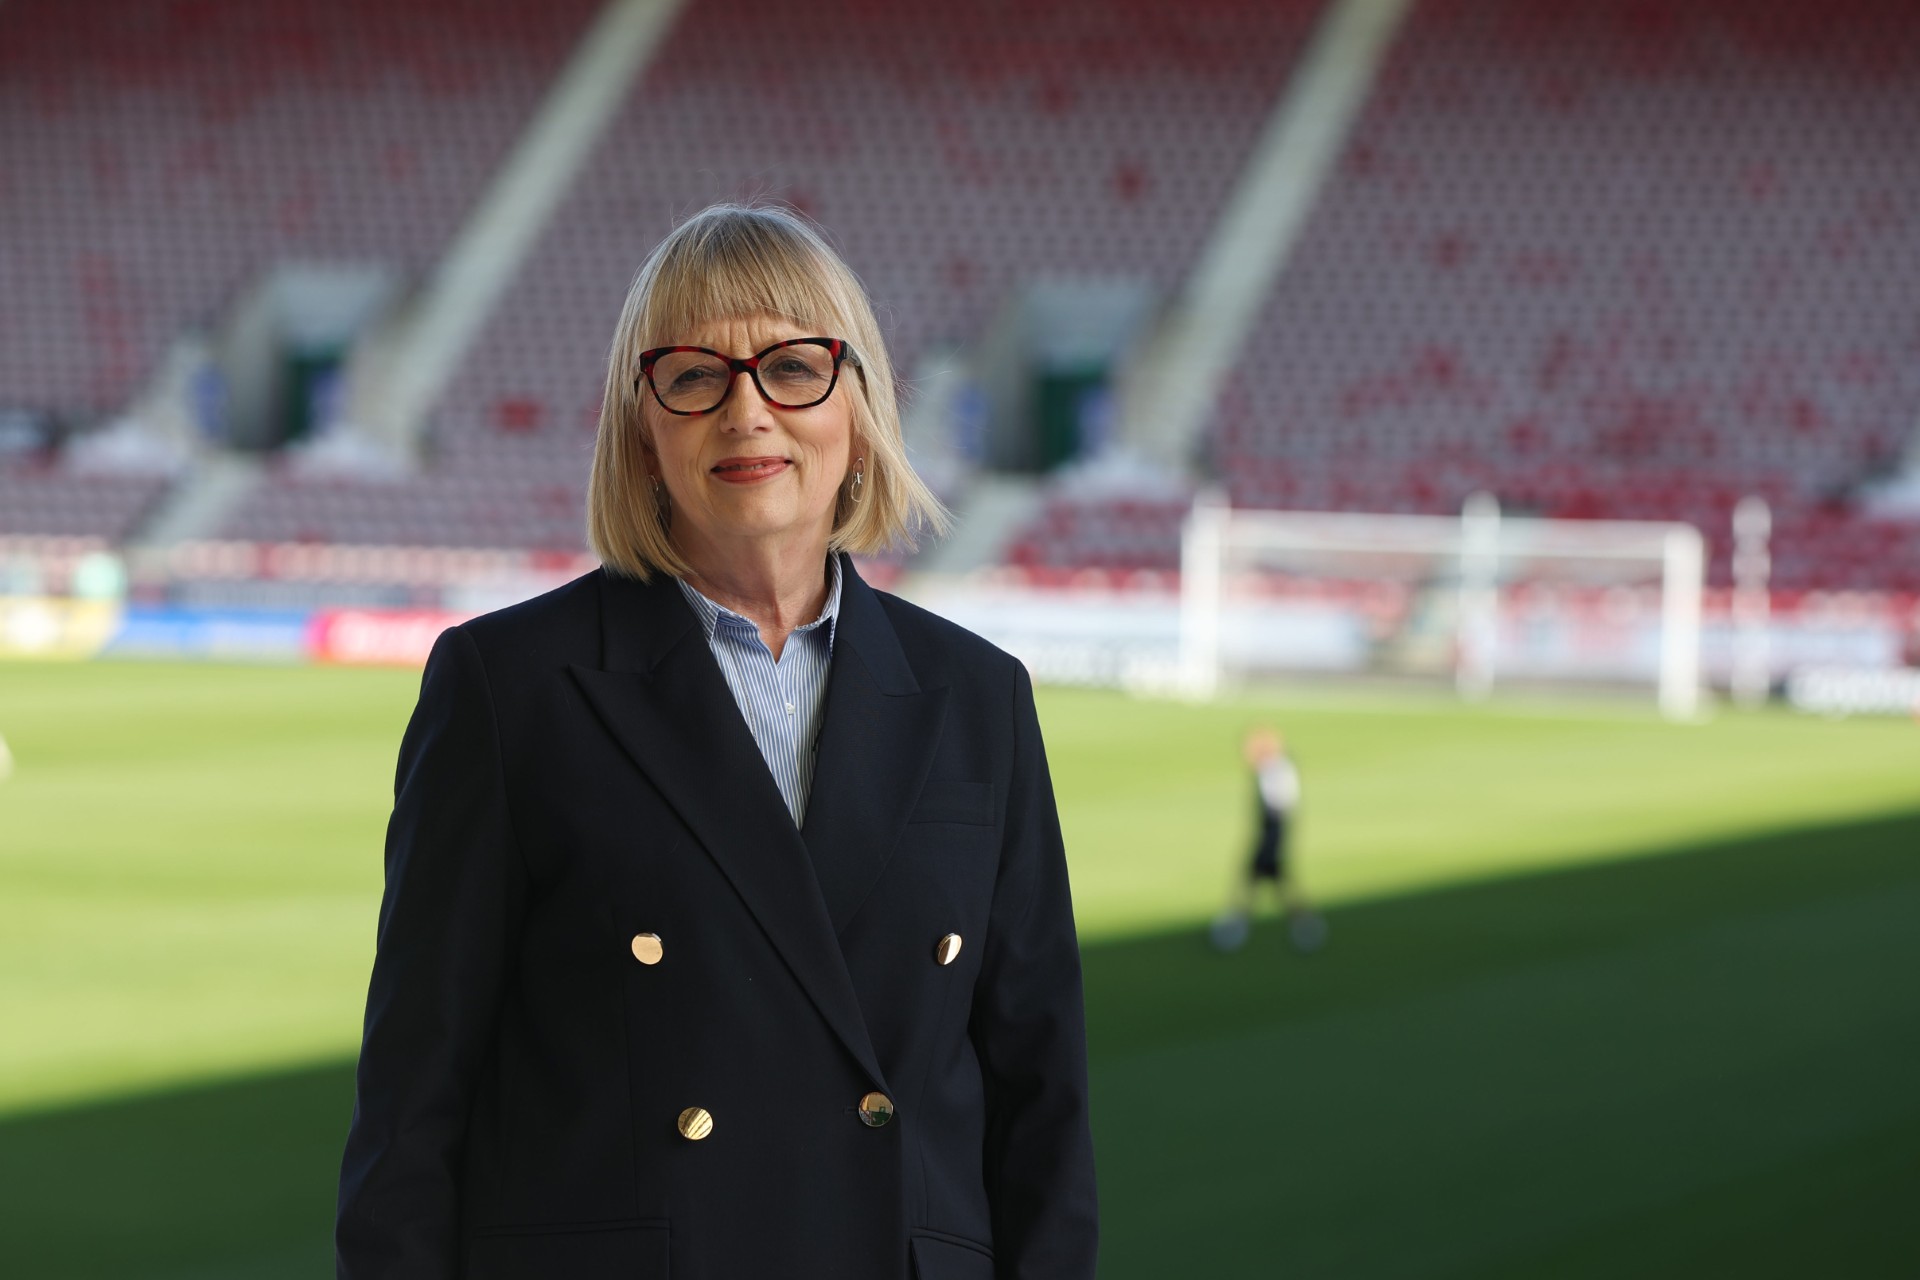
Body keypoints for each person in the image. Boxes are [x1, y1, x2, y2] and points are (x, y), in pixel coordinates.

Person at [336, 205, 1097, 1279]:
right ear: (643, 428)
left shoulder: (979, 701)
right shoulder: (509, 690)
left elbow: (1043, 1107)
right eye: (694, 377)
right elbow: (412, 1114)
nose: (747, 410)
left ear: (859, 404)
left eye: (793, 367)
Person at [1210, 725, 1325, 953]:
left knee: (1264, 882)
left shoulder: (1276, 769)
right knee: (1270, 884)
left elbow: (1279, 808)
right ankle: (1303, 928)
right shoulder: (1271, 769)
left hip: (1272, 835)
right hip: (1270, 834)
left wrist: (1268, 843)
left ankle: (1237, 930)